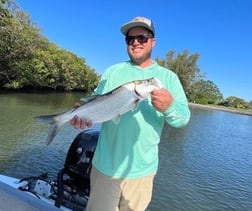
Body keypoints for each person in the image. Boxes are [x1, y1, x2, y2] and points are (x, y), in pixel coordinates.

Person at [70, 16, 191, 211]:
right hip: (104, 167)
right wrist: (83, 118)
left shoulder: (169, 77)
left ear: (153, 41)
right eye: (130, 39)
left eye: (142, 37)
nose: (135, 43)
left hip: (142, 171)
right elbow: (96, 105)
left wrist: (169, 107)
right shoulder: (112, 71)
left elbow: (183, 119)